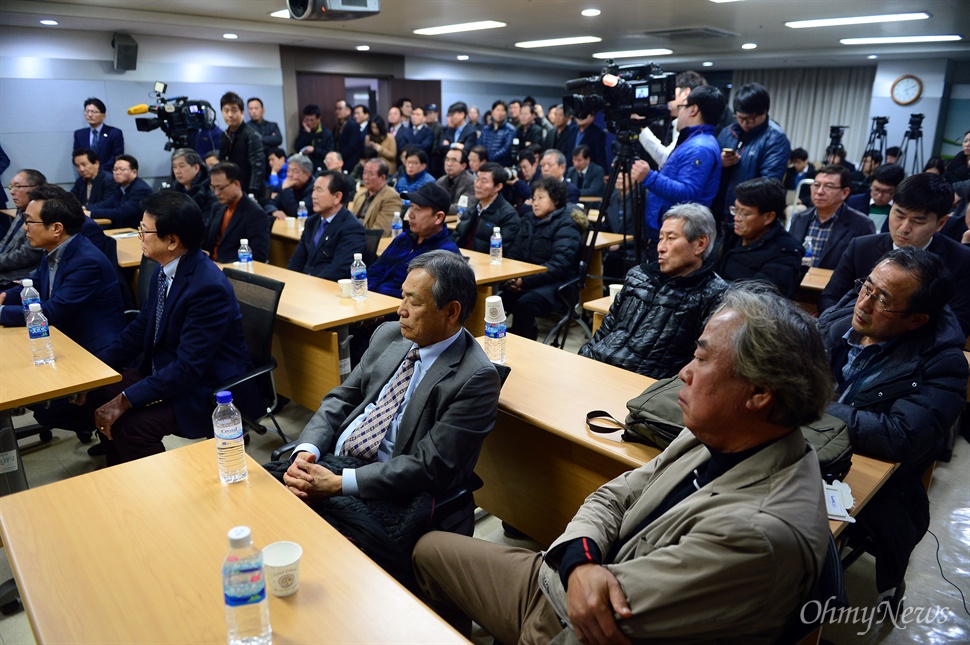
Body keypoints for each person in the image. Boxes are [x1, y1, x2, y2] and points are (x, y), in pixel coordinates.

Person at [413, 283, 833, 644]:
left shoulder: (759, 534)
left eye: (702, 360)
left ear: (758, 392)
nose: (683, 373)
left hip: (579, 626)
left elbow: (604, 616)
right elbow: (613, 494)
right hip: (563, 584)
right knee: (425, 551)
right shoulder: (721, 433)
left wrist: (574, 565)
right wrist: (579, 560)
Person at [271, 251, 501, 585]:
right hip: (334, 461)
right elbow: (342, 397)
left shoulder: (474, 376)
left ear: (451, 312)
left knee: (318, 563)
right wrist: (307, 450)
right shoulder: (390, 335)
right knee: (261, 504)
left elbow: (429, 466)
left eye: (414, 302)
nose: (400, 309)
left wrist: (338, 483)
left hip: (389, 488)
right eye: (402, 296)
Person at [818, 248, 967, 608]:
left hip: (879, 481)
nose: (863, 304)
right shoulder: (842, 317)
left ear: (916, 320)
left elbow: (902, 436)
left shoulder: (943, 363)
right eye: (866, 287)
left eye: (882, 300)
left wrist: (817, 408)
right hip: (809, 445)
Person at [84, 191, 260, 464]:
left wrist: (125, 400)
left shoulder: (206, 287)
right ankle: (119, 475)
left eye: (144, 230)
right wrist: (93, 370)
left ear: (172, 241)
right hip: (168, 369)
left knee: (132, 427)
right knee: (100, 390)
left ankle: (157, 498)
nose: (139, 236)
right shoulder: (164, 269)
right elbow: (141, 326)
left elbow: (189, 367)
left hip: (206, 386)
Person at [0, 185, 126, 437]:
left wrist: (2, 312)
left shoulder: (85, 260)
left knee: (48, 409)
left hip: (94, 352)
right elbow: (34, 286)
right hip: (65, 339)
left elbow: (51, 311)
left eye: (29, 221)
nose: (25, 227)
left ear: (56, 228)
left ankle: (108, 427)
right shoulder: (56, 251)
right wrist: (4, 297)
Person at [580, 203, 728, 378]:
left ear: (700, 244)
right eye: (660, 238)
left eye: (671, 238)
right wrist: (582, 359)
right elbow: (606, 329)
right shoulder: (638, 276)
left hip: (642, 386)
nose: (660, 247)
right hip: (596, 367)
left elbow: (696, 364)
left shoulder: (715, 295)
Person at [818, 173, 970, 336]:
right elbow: (830, 298)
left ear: (941, 223)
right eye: (899, 215)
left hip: (916, 351)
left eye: (918, 221)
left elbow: (960, 322)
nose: (904, 228)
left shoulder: (961, 260)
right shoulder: (861, 247)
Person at [631, 85, 725, 242]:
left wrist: (649, 177)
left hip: (680, 236)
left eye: (682, 107)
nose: (678, 113)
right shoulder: (693, 141)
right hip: (674, 233)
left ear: (693, 110)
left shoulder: (700, 147)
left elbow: (688, 193)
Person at [501, 177, 583, 340]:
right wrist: (512, 278)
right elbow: (514, 254)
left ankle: (521, 342)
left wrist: (524, 281)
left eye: (541, 198)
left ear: (556, 200)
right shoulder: (529, 219)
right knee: (495, 298)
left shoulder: (566, 224)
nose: (535, 203)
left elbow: (559, 265)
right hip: (529, 280)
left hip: (558, 285)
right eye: (533, 198)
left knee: (525, 304)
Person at [715, 177, 804, 298]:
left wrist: (711, 288)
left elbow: (759, 297)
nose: (736, 218)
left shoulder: (786, 252)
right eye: (735, 210)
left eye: (745, 213)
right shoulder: (729, 234)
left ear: (768, 217)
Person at [716, 83, 791, 222]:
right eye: (740, 118)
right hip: (719, 212)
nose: (745, 123)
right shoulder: (728, 132)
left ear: (764, 112)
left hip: (750, 216)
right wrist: (719, 162)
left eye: (750, 118)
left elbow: (770, 183)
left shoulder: (775, 138)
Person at [368, 183, 460, 297]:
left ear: (438, 217)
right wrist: (371, 296)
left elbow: (422, 297)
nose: (410, 214)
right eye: (411, 207)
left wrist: (384, 306)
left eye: (418, 210)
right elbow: (374, 271)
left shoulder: (446, 254)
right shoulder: (403, 239)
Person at [789, 165, 876, 269]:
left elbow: (864, 267)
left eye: (828, 186)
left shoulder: (862, 225)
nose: (820, 191)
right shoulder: (799, 218)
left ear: (844, 193)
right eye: (816, 185)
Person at [287, 170, 365, 280]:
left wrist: (309, 286)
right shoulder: (311, 222)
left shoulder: (352, 228)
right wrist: (288, 281)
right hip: (303, 285)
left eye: (319, 190)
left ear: (337, 197)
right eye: (313, 189)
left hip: (327, 290)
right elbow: (297, 260)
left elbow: (338, 270)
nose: (313, 196)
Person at [638, 70, 708, 169]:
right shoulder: (683, 123)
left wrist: (641, 127)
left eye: (672, 91)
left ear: (685, 93)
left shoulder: (691, 127)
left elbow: (667, 160)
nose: (667, 98)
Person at [204, 162, 270, 263]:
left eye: (220, 188)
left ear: (236, 184)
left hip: (231, 271)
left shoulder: (255, 214)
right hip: (210, 265)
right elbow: (205, 241)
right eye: (213, 188)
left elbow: (258, 256)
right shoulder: (217, 207)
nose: (216, 193)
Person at [452, 163, 520, 256]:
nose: (478, 185)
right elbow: (456, 237)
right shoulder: (472, 209)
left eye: (484, 181)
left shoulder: (508, 215)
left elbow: (504, 252)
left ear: (498, 187)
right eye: (477, 179)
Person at [0, 169, 46, 281]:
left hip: (19, 277)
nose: (12, 192)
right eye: (11, 187)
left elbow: (27, 255)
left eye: (17, 186)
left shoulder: (43, 215)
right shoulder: (21, 211)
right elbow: (5, 242)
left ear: (35, 188)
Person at [85, 154, 153, 229]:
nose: (117, 172)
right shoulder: (121, 187)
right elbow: (108, 204)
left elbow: (123, 212)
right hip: (123, 229)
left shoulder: (141, 189)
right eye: (115, 169)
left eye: (122, 169)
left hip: (136, 231)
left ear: (134, 172)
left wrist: (91, 213)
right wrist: (86, 208)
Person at [218, 92, 264, 196]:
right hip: (230, 189)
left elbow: (257, 167)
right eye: (226, 111)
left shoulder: (252, 135)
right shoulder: (224, 135)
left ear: (242, 112)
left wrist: (253, 192)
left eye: (234, 110)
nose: (230, 115)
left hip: (248, 190)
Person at [845, 163, 906, 233]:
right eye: (876, 189)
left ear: (897, 190)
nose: (879, 195)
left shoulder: (902, 209)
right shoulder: (853, 202)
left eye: (886, 192)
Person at [350, 158, 403, 234]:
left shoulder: (392, 197)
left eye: (370, 174)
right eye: (364, 173)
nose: (366, 177)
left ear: (382, 177)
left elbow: (379, 232)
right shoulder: (360, 195)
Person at [72, 97, 124, 170]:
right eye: (87, 111)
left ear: (103, 116)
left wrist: (97, 170)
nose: (89, 115)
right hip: (86, 174)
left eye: (93, 112)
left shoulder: (114, 133)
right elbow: (76, 156)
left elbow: (117, 156)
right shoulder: (79, 134)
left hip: (108, 175)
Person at [171, 148, 216, 225]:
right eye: (174, 167)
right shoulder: (174, 191)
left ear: (196, 168)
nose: (177, 171)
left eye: (181, 166)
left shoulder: (210, 192)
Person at [268, 153, 315, 220]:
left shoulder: (314, 189)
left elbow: (296, 213)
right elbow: (270, 204)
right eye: (288, 170)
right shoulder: (290, 185)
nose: (290, 175)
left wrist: (286, 190)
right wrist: (274, 211)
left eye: (295, 171)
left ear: (307, 174)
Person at [294, 104, 334, 172]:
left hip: (320, 166)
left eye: (312, 120)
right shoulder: (303, 131)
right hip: (305, 166)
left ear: (318, 119)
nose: (309, 123)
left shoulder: (326, 133)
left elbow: (329, 152)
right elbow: (298, 147)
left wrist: (314, 150)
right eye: (307, 120)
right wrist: (307, 133)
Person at [437, 148, 475, 215]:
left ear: (463, 166)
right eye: (447, 159)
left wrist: (437, 208)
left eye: (453, 160)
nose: (449, 164)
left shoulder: (471, 182)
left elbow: (463, 207)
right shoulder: (440, 181)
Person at [478, 100, 516, 167]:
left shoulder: (510, 130)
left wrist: (489, 159)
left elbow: (506, 149)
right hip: (485, 163)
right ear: (492, 112)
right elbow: (480, 145)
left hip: (501, 165)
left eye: (502, 111)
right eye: (497, 110)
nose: (500, 113)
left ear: (506, 113)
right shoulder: (485, 129)